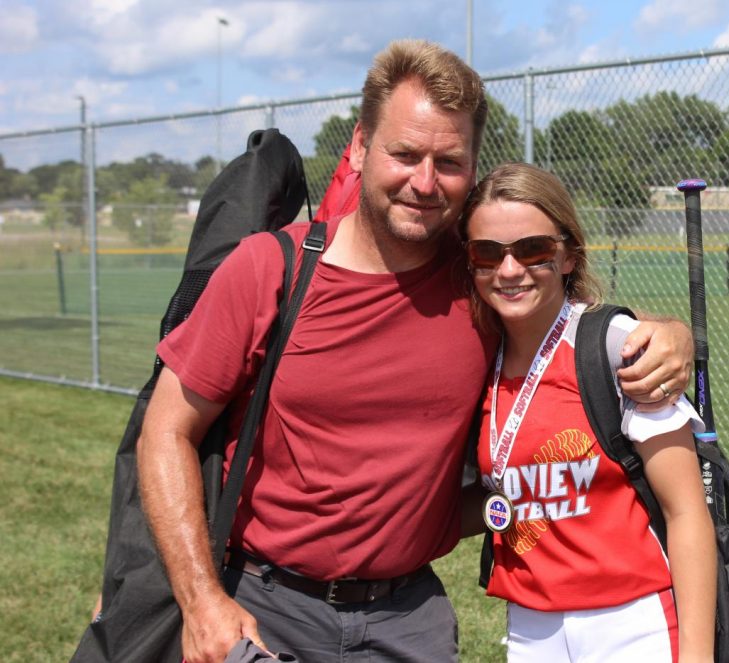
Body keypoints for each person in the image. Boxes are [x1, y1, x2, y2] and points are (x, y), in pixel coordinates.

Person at [137, 39, 695, 663]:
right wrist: (200, 601)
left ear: (474, 166)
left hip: (408, 621)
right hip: (268, 609)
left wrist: (670, 331)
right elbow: (166, 431)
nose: (424, 183)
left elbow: (571, 318)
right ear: (359, 147)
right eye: (404, 154)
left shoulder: (479, 277)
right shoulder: (271, 270)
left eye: (448, 161)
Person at [459, 162, 716, 663]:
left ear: (569, 256)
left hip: (633, 619)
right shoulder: (475, 360)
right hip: (531, 623)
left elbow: (686, 512)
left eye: (533, 250)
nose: (509, 270)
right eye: (487, 254)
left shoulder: (619, 347)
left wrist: (697, 655)